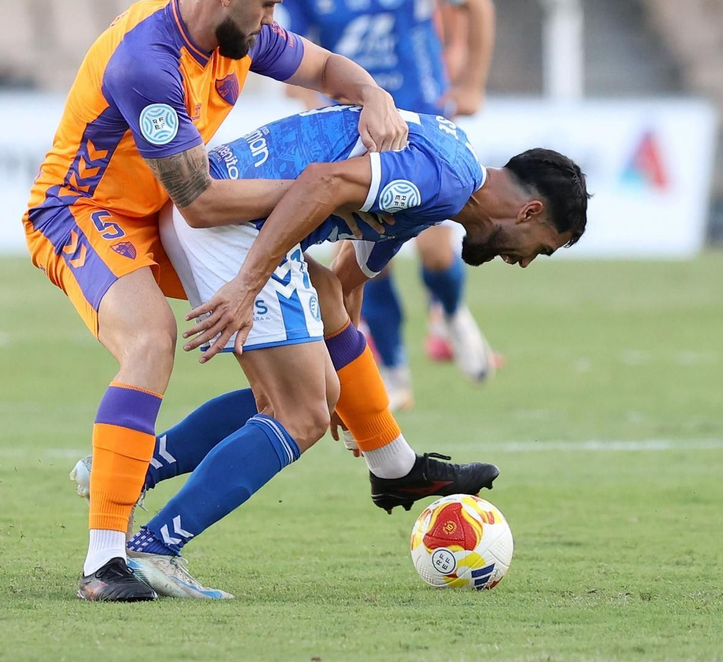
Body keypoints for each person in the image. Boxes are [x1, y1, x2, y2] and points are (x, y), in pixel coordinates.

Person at [23, 0, 412, 602]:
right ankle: (104, 562)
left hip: (158, 217)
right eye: (269, 4)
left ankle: (383, 454)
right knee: (152, 340)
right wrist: (318, 193)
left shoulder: (234, 36)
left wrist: (373, 93)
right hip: (83, 214)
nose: (274, 21)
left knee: (315, 323)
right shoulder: (149, 62)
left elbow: (323, 65)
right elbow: (202, 200)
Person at [110, 103, 588, 598]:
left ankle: (129, 469)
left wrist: (341, 386)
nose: (526, 262)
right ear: (530, 212)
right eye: (542, 248)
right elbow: (321, 183)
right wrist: (248, 284)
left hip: (221, 217)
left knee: (313, 389)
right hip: (231, 224)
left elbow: (342, 283)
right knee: (301, 415)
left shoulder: (443, 182)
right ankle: (156, 547)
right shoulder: (446, 177)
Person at [286, 0, 498, 409]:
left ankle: (452, 313)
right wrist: (310, 114)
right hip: (353, 131)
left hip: (423, 122)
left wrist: (472, 82)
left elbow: (476, 1)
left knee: (433, 251)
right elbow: (288, 53)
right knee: (363, 254)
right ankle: (396, 372)